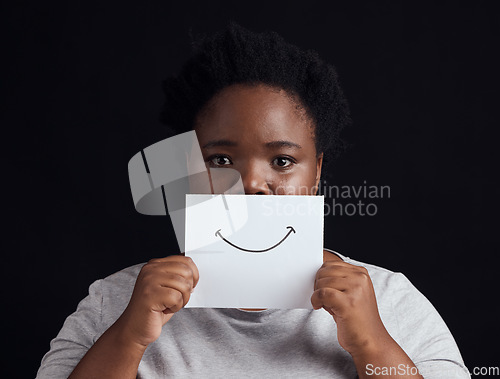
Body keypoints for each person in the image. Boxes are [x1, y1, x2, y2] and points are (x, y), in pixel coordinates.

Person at [37, 23, 469, 378]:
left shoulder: (391, 300)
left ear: (316, 172)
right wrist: (129, 338)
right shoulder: (115, 302)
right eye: (220, 159)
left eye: (282, 160)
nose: (250, 182)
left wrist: (370, 341)